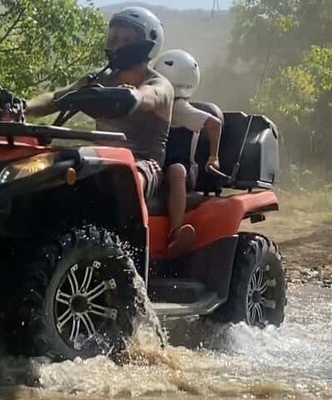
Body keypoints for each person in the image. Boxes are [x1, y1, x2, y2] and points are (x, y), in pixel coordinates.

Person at [24, 6, 172, 203]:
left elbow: (150, 95)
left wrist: (134, 95)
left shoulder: (158, 83)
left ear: (147, 44)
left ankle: (127, 233)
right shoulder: (99, 79)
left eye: (126, 40)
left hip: (142, 162)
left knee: (127, 178)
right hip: (100, 156)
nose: (118, 45)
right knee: (45, 168)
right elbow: (55, 98)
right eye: (113, 39)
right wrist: (22, 106)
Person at [152, 49, 222, 255]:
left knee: (176, 171)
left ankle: (175, 233)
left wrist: (213, 157)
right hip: (155, 164)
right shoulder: (154, 101)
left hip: (183, 169)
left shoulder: (181, 108)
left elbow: (214, 124)